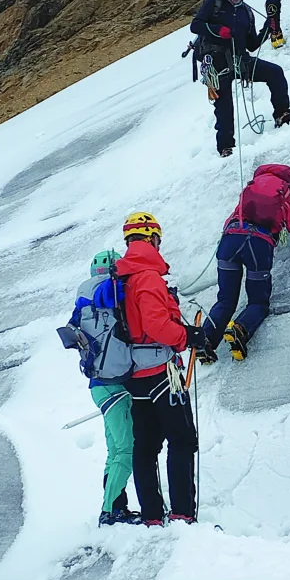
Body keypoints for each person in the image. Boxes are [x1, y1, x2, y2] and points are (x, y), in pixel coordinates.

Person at [115, 212, 210, 526]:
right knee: (182, 440)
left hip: (133, 374)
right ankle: (183, 514)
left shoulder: (122, 277)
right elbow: (156, 325)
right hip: (161, 373)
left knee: (145, 447)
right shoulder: (148, 277)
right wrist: (186, 336)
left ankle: (153, 517)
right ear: (152, 238)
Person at [202, 165, 290, 361]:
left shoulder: (250, 191)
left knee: (226, 300)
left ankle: (205, 339)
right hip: (258, 246)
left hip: (230, 241)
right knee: (258, 302)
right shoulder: (284, 196)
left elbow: (229, 221)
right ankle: (240, 328)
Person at [190, 0, 290, 157]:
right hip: (217, 65)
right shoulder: (214, 2)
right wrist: (218, 30)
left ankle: (282, 114)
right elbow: (196, 25)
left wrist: (268, 28)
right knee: (224, 105)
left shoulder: (247, 13)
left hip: (241, 61)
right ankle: (226, 146)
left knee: (275, 73)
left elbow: (252, 44)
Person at [67, 250, 140, 527]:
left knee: (115, 451)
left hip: (98, 385)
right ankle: (110, 512)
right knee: (125, 450)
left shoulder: (82, 301)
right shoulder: (110, 292)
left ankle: (114, 508)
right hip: (115, 385)